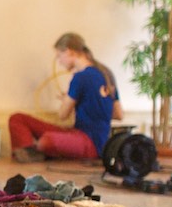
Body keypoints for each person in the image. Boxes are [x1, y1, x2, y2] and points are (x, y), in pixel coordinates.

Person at [8, 32, 123, 162]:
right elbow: (119, 114)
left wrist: (67, 101)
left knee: (47, 140)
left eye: (59, 56)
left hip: (89, 143)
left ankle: (33, 152)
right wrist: (93, 105)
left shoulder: (80, 77)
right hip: (94, 139)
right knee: (18, 119)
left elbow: (62, 115)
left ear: (68, 52)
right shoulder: (107, 73)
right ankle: (32, 153)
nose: (60, 62)